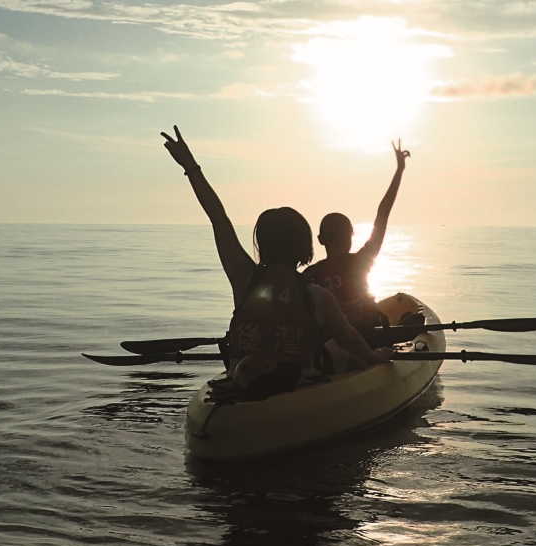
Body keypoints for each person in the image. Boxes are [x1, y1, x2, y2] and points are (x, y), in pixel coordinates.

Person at [161, 125, 392, 396]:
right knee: (343, 349)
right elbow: (350, 337)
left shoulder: (243, 279)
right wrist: (374, 357)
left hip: (243, 386)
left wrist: (190, 166)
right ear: (305, 247)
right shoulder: (319, 297)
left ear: (262, 244)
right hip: (298, 390)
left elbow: (218, 217)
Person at [303, 140, 410, 332]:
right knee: (412, 319)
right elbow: (383, 214)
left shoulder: (310, 276)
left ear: (320, 240)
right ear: (350, 237)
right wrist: (399, 170)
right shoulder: (361, 261)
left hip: (333, 339)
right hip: (369, 337)